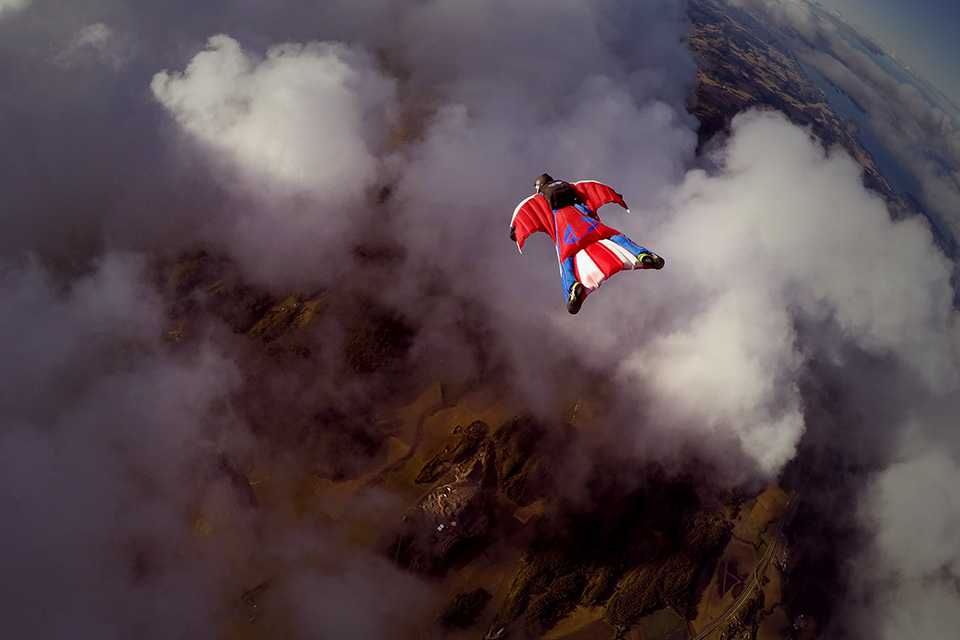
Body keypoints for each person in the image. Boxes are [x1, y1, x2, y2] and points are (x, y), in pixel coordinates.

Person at [510, 174, 663, 314]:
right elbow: (597, 188)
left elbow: (522, 215)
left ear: (539, 188)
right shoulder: (576, 187)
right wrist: (615, 196)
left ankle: (573, 287)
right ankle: (642, 254)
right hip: (586, 221)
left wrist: (514, 231)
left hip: (565, 230)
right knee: (615, 236)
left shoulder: (537, 201)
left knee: (566, 259)